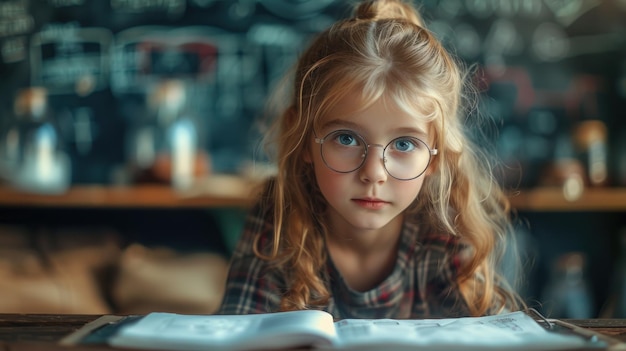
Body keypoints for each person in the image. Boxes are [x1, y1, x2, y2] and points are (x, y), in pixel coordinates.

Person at [218, 0, 525, 318]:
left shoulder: (449, 228)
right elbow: (240, 332)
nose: (374, 173)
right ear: (304, 139)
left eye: (404, 144)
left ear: (436, 157)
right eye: (346, 139)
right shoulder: (279, 211)